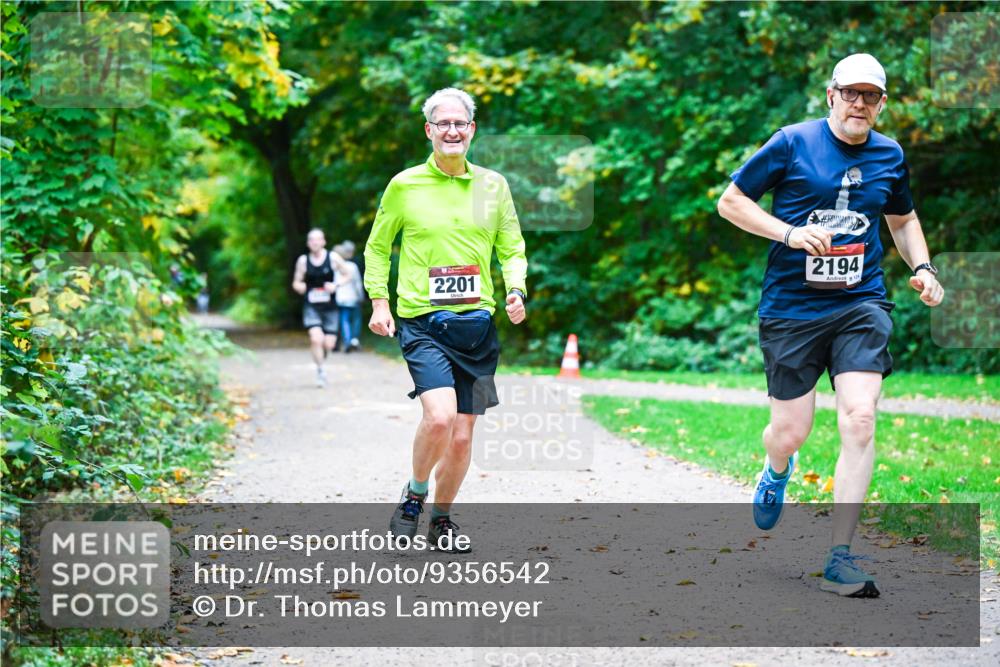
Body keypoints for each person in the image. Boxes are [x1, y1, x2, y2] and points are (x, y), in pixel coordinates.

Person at [717, 54, 944, 598]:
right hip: (792, 309)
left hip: (859, 303)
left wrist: (923, 266)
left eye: (871, 96)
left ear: (882, 104)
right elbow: (731, 202)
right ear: (831, 95)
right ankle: (777, 466)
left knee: (860, 418)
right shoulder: (792, 143)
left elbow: (903, 218)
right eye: (850, 93)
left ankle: (840, 555)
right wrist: (790, 235)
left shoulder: (890, 154)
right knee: (791, 430)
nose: (859, 104)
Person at [364, 87, 528, 553]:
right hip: (423, 322)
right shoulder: (405, 185)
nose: (452, 131)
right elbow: (378, 248)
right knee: (439, 418)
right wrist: (379, 301)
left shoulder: (493, 186)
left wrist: (515, 288)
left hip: (477, 327)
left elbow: (511, 247)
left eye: (461, 123)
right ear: (429, 131)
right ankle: (414, 497)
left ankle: (441, 521)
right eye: (443, 124)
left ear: (471, 130)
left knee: (461, 436)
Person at [291, 229, 349, 387]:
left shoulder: (332, 257)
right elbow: (296, 282)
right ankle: (321, 370)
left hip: (330, 307)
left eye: (318, 239)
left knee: (328, 344)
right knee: (316, 338)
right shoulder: (303, 261)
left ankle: (321, 358)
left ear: (323, 242)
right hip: (312, 306)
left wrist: (336, 285)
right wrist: (300, 287)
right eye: (311, 240)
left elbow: (347, 274)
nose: (315, 242)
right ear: (308, 243)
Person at [333, 242, 363, 352]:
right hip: (353, 298)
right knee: (356, 319)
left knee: (343, 320)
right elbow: (358, 283)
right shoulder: (352, 266)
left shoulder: (335, 267)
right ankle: (353, 340)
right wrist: (361, 296)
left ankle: (347, 341)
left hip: (340, 298)